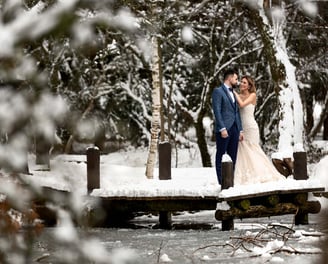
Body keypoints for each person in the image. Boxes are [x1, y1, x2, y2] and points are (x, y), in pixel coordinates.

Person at [233, 75, 285, 185]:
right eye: (241, 82)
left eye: (244, 83)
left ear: (249, 86)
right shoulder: (238, 95)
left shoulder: (252, 95)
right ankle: (245, 176)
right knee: (242, 152)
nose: (242, 84)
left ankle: (262, 174)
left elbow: (242, 105)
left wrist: (233, 92)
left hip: (251, 127)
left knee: (253, 150)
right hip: (241, 127)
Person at [212, 68, 243, 185]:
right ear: (229, 78)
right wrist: (222, 128)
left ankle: (230, 181)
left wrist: (240, 130)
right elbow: (217, 111)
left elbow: (236, 112)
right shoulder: (217, 91)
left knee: (233, 156)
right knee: (221, 154)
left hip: (234, 128)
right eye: (236, 79)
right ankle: (221, 182)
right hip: (224, 129)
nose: (237, 81)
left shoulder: (233, 93)